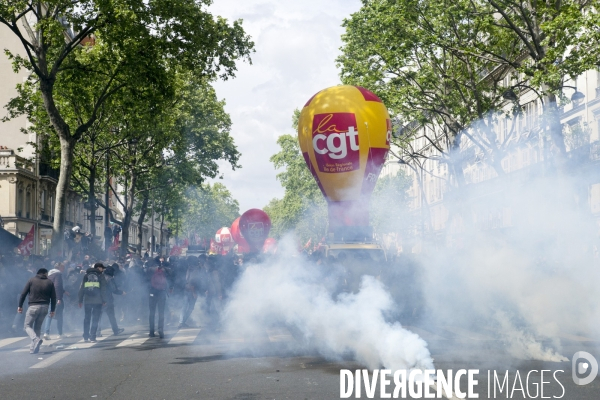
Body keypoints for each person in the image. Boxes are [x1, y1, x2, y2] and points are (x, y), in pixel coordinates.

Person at [18, 268, 56, 354]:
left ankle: (35, 339)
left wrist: (20, 305)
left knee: (27, 326)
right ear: (45, 274)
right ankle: (33, 348)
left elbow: (23, 294)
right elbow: (53, 297)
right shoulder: (49, 282)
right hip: (45, 307)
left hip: (33, 307)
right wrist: (53, 310)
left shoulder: (31, 280)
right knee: (37, 327)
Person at [78, 262, 107, 342]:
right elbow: (103, 290)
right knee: (95, 319)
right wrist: (104, 300)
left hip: (87, 300)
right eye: (102, 268)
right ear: (98, 268)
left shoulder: (86, 276)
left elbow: (82, 288)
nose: (103, 269)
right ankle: (93, 336)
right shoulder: (101, 276)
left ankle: (86, 336)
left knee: (87, 318)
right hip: (98, 301)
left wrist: (80, 300)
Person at [147, 259, 173, 338]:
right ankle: (161, 330)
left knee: (152, 313)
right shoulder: (165, 270)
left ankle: (151, 331)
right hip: (162, 293)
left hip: (152, 293)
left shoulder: (150, 270)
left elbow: (144, 280)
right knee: (161, 312)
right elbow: (171, 279)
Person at [97, 266, 125, 336]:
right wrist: (121, 292)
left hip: (98, 299)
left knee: (97, 316)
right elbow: (114, 289)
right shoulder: (109, 278)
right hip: (107, 300)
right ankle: (115, 330)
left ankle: (97, 332)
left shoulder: (98, 277)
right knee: (111, 316)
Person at [178, 257, 205, 329]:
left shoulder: (189, 268)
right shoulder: (195, 270)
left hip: (186, 289)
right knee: (190, 307)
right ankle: (182, 322)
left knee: (185, 306)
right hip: (192, 290)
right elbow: (192, 282)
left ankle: (182, 322)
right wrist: (194, 293)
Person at [43, 262, 67, 339]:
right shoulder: (58, 274)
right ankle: (59, 333)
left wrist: (63, 291)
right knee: (59, 315)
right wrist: (59, 298)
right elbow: (57, 286)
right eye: (63, 267)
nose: (64, 269)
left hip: (49, 296)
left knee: (50, 314)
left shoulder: (50, 274)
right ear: (59, 268)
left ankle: (46, 333)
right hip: (56, 297)